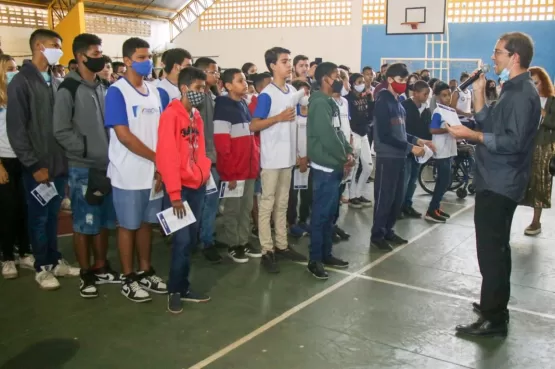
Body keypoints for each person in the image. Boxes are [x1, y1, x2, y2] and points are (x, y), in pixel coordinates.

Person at [447, 32, 541, 337]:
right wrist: (477, 93)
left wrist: (471, 136)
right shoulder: (510, 90)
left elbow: (512, 142)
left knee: (492, 250)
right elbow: (489, 122)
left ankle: (493, 318)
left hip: (501, 182)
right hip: (495, 178)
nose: (493, 57)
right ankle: (495, 304)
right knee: (495, 249)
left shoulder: (522, 93)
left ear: (514, 57)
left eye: (497, 52)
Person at [7, 29, 80, 290]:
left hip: (58, 164)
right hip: (37, 167)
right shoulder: (21, 81)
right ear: (39, 46)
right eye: (55, 45)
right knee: (38, 217)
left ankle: (54, 259)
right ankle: (42, 267)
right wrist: (33, 165)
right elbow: (16, 129)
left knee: (52, 215)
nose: (59, 50)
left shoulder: (54, 80)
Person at [53, 33, 120, 298]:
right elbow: (60, 130)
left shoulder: (103, 87)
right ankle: (86, 273)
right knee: (84, 223)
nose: (101, 59)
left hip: (107, 166)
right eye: (95, 54)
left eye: (101, 54)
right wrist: (85, 150)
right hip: (83, 167)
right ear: (81, 57)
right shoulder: (68, 88)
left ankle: (101, 266)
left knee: (103, 221)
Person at [104, 37, 167, 303]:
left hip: (153, 173)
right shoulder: (117, 92)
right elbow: (124, 135)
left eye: (149, 57)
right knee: (128, 226)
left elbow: (163, 131)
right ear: (127, 61)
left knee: (145, 224)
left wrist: (161, 164)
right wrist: (157, 159)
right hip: (128, 173)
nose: (147, 62)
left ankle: (145, 270)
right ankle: (128, 277)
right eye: (141, 58)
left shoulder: (155, 91)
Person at [157, 67, 212, 314]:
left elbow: (199, 149)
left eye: (204, 88)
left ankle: (184, 285)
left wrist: (203, 172)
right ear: (184, 88)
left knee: (191, 240)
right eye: (198, 88)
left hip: (197, 186)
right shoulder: (171, 116)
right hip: (179, 191)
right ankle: (174, 291)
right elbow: (167, 157)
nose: (202, 92)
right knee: (181, 241)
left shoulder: (196, 116)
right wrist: (175, 195)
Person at [251, 46, 307, 273]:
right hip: (272, 159)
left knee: (283, 204)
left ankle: (282, 245)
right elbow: (254, 125)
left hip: (286, 158)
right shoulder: (267, 94)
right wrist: (279, 117)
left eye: (289, 61)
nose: (288, 65)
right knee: (267, 204)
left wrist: (295, 152)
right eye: (284, 61)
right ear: (273, 66)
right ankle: (267, 250)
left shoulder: (290, 91)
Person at [371, 63, 434, 252]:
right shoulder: (383, 101)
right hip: (387, 157)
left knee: (397, 198)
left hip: (400, 157)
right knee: (384, 197)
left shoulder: (398, 103)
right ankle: (377, 234)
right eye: (400, 80)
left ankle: (388, 230)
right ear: (389, 80)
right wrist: (410, 148)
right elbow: (385, 135)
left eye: (406, 81)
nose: (404, 84)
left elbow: (401, 132)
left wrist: (417, 140)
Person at [307, 62, 353, 279]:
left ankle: (326, 253)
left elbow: (339, 133)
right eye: (336, 76)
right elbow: (326, 136)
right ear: (325, 79)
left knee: (329, 215)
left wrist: (349, 151)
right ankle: (314, 259)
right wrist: (344, 157)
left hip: (334, 165)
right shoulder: (319, 104)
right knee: (320, 215)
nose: (340, 80)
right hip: (325, 166)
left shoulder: (330, 103)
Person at [213, 68, 261, 262]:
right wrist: (230, 174)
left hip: (248, 169)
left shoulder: (242, 104)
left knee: (246, 206)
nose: (245, 84)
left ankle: (244, 239)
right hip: (234, 172)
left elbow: (251, 137)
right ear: (228, 85)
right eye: (240, 81)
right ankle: (234, 244)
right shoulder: (223, 107)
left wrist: (255, 163)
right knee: (233, 208)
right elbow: (222, 145)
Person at [0, 54, 34, 279]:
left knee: (25, 208)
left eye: (16, 68)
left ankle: (24, 251)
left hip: (24, 158)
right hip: (4, 161)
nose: (14, 72)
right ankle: (7, 257)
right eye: (10, 68)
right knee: (7, 211)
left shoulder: (19, 96)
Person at [193, 57, 223, 263]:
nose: (217, 75)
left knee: (210, 201)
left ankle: (207, 235)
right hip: (203, 158)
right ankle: (205, 241)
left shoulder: (211, 95)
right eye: (214, 72)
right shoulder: (199, 98)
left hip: (212, 156)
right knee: (206, 202)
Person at [520, 66, 555, 236]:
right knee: (522, 180)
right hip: (525, 145)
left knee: (540, 182)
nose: (534, 86)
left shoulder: (552, 100)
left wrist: (542, 113)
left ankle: (536, 221)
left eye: (537, 83)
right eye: (531, 84)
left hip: (543, 146)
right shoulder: (525, 100)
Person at [400, 80, 432, 218]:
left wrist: (427, 144)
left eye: (428, 94)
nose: (427, 97)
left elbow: (427, 129)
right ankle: (398, 208)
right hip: (406, 149)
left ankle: (407, 205)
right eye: (425, 94)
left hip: (420, 151)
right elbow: (401, 130)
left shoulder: (426, 109)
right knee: (403, 181)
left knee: (413, 180)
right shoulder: (404, 107)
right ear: (415, 93)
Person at [426, 81, 456, 223]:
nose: (448, 98)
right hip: (441, 150)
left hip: (449, 149)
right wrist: (449, 130)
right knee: (443, 181)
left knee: (446, 180)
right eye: (444, 95)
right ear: (437, 98)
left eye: (449, 95)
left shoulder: (449, 110)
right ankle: (431, 210)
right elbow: (432, 129)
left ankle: (436, 207)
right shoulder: (438, 112)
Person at [287, 79, 312, 237]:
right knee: (292, 195)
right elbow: (290, 137)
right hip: (294, 160)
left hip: (309, 159)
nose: (306, 95)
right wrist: (298, 158)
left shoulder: (313, 111)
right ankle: (292, 223)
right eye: (303, 92)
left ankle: (304, 220)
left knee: (307, 193)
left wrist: (307, 157)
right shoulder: (291, 112)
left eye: (308, 92)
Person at [346, 73, 373, 209]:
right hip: (354, 134)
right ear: (351, 84)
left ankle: (359, 193)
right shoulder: (348, 99)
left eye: (362, 81)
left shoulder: (366, 97)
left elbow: (370, 114)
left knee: (368, 167)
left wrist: (371, 98)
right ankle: (352, 196)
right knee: (354, 167)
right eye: (358, 82)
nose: (362, 84)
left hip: (364, 134)